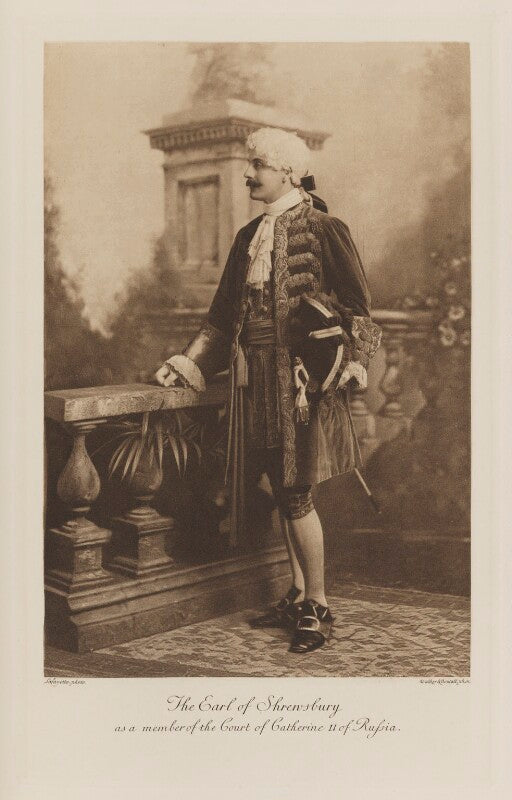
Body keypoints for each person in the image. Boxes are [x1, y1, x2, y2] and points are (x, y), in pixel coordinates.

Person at [155, 127, 381, 653]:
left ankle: (318, 605)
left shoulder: (325, 228)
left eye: (257, 164)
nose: (247, 173)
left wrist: (352, 361)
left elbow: (359, 308)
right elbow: (220, 320)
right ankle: (298, 592)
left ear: (287, 172)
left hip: (302, 382)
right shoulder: (247, 238)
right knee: (281, 487)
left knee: (297, 491)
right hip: (253, 381)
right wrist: (187, 362)